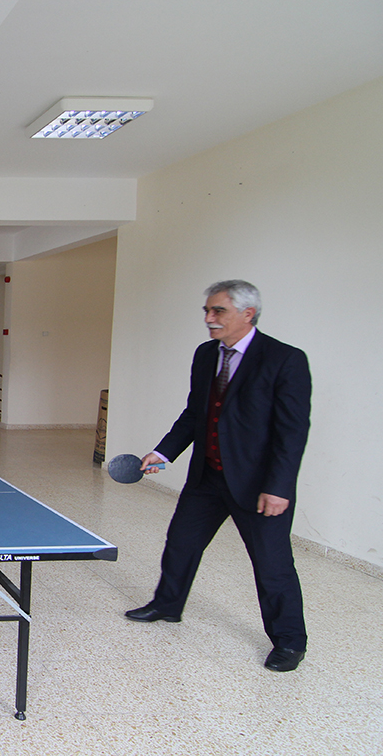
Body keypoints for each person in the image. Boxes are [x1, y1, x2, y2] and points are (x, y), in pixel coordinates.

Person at [125, 280, 312, 673]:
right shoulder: (206, 354)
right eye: (207, 311)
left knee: (272, 564)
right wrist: (163, 452)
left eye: (218, 311)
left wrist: (278, 487)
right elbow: (195, 413)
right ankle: (167, 605)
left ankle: (290, 641)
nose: (209, 318)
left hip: (259, 485)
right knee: (181, 543)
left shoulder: (285, 359)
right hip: (208, 476)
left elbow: (292, 432)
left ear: (248, 313)